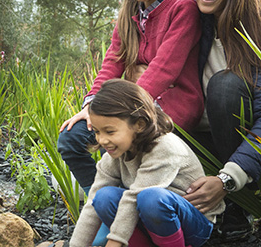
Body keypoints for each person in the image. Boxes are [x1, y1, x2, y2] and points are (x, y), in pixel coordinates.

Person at [57, 0, 203, 244]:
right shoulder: (129, 15)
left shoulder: (183, 10)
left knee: (131, 138)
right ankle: (106, 208)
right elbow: (113, 61)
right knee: (72, 139)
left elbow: (164, 68)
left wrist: (126, 106)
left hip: (172, 107)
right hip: (133, 104)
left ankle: (127, 216)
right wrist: (92, 107)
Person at [69, 79, 224, 247]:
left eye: (110, 131)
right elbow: (92, 205)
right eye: (98, 132)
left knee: (151, 198)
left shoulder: (165, 147)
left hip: (193, 224)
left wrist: (114, 242)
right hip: (148, 221)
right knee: (103, 197)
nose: (102, 140)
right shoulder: (114, 156)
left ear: (139, 125)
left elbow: (134, 197)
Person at [183, 0, 261, 241]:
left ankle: (236, 208)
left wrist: (227, 178)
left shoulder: (255, 36)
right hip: (198, 145)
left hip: (246, 160)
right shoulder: (186, 20)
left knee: (225, 86)